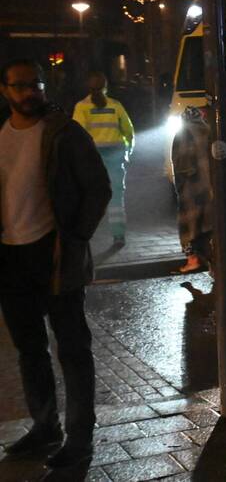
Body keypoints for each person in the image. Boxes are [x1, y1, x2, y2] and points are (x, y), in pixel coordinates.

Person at [0, 58, 111, 469]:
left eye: (36, 84)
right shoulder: (1, 135)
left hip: (55, 254)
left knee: (73, 350)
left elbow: (97, 187)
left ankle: (80, 438)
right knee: (30, 349)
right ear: (5, 91)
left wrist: (76, 237)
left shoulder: (64, 133)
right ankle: (45, 426)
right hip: (10, 258)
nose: (30, 92)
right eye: (20, 86)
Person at [72, 72, 134, 247]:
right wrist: (128, 152)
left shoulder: (81, 107)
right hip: (115, 156)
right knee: (116, 198)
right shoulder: (116, 106)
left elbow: (78, 135)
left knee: (90, 197)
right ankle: (119, 235)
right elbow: (128, 131)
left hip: (92, 159)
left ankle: (88, 236)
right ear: (106, 87)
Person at [172, 106, 214, 274]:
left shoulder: (184, 134)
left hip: (191, 186)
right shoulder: (209, 131)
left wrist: (180, 185)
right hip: (209, 186)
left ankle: (193, 260)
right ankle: (212, 259)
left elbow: (182, 162)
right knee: (207, 224)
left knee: (188, 225)